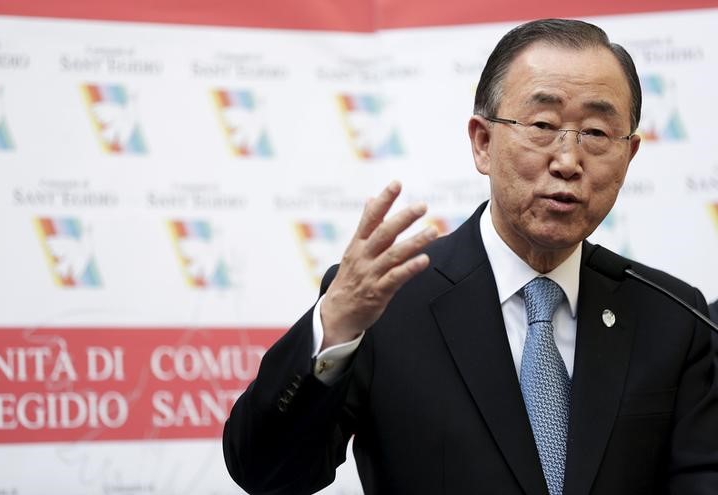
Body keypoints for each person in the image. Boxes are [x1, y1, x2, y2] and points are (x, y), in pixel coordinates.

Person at [223, 19, 718, 495]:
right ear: (483, 142)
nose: (568, 161)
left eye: (595, 133)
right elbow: (267, 474)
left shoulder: (674, 318)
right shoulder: (386, 305)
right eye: (543, 124)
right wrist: (335, 327)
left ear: (629, 155)